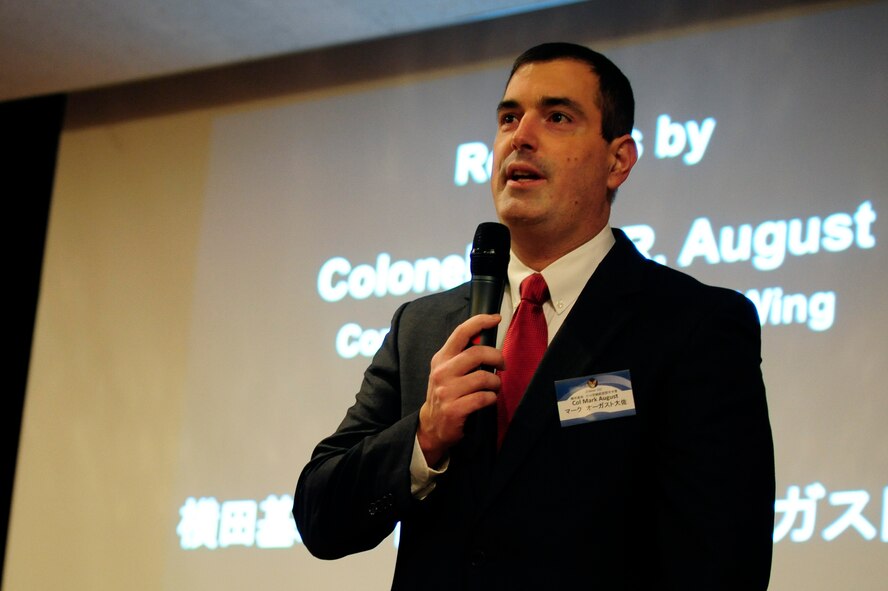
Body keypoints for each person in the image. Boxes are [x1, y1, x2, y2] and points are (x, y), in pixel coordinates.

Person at [294, 42, 775, 590]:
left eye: (557, 117)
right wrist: (424, 439)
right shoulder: (422, 327)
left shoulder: (694, 324)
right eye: (508, 118)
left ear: (618, 160)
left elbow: (723, 559)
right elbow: (319, 517)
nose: (520, 136)